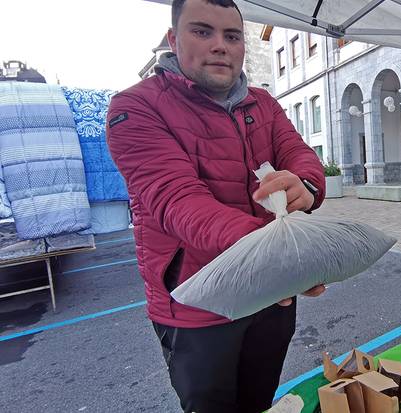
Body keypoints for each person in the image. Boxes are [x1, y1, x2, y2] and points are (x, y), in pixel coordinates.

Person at [106, 1, 326, 411]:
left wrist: (307, 187)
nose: (220, 46)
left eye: (231, 35)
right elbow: (177, 201)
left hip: (270, 296)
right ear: (173, 40)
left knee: (260, 397)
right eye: (202, 32)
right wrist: (277, 259)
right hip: (197, 303)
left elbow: (300, 155)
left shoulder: (263, 103)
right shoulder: (134, 108)